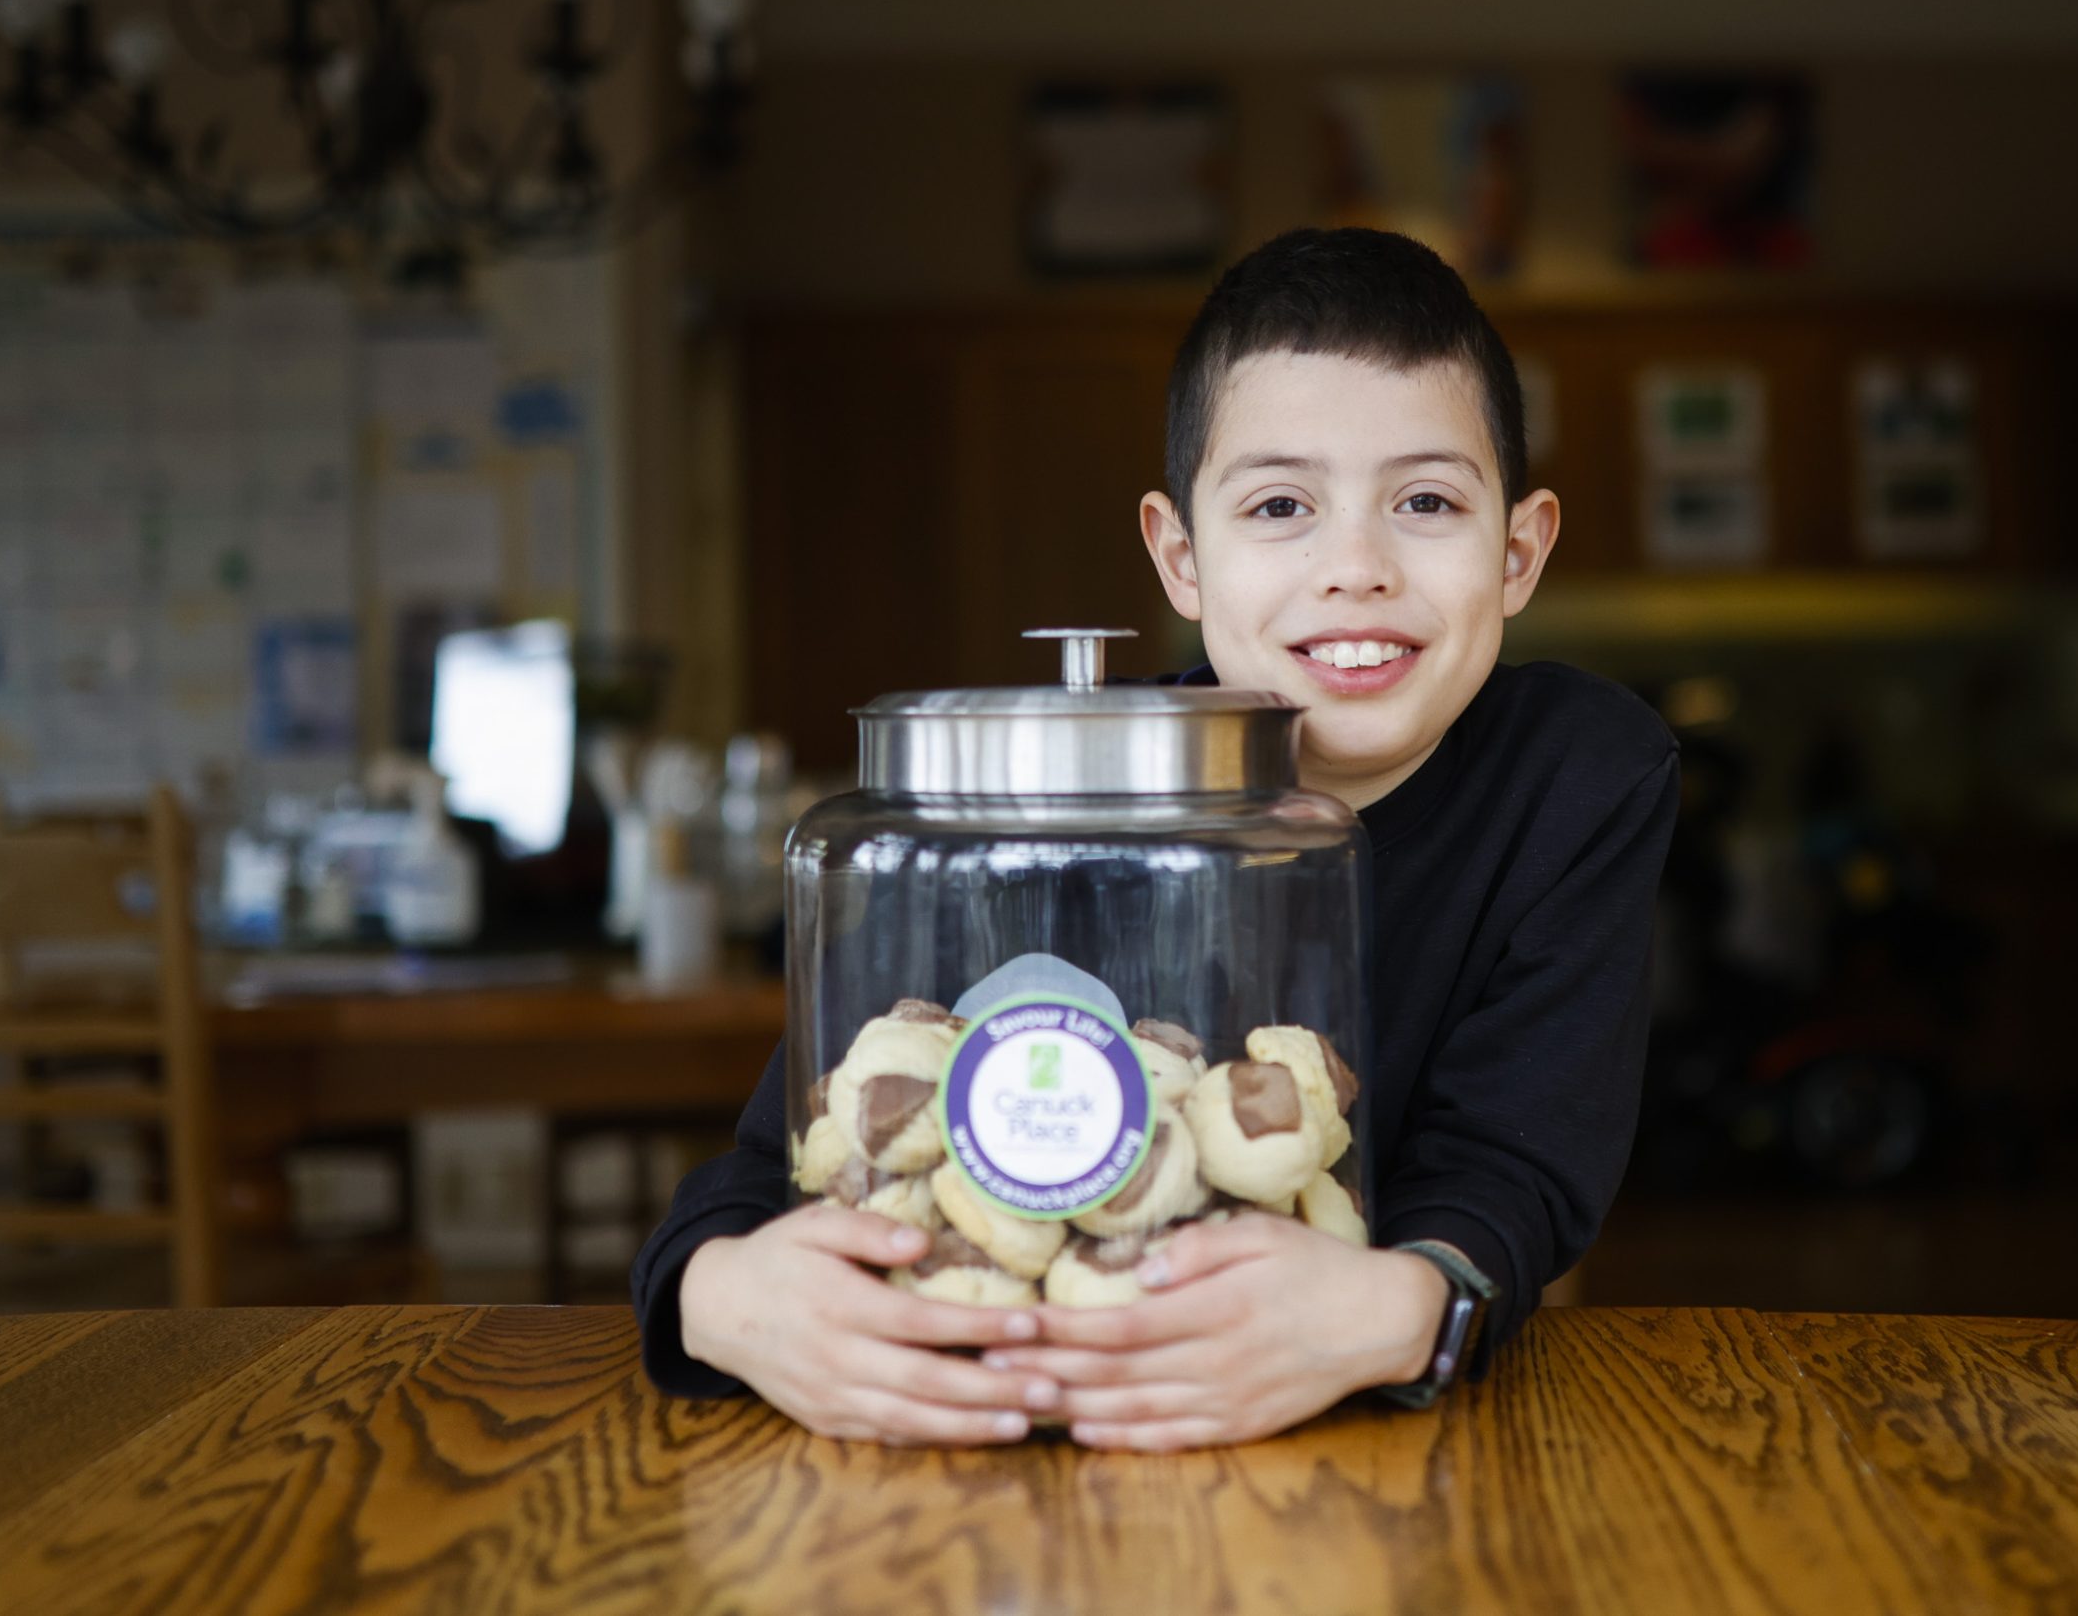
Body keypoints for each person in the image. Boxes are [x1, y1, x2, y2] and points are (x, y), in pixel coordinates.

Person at [632, 227, 1680, 1451]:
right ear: (1180, 554)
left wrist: (1404, 1310)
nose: (1355, 568)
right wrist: (722, 1294)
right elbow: (779, 1163)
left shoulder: (1580, 774)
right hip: (1018, 1429)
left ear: (1519, 550)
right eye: (1281, 504)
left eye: (1427, 501)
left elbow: (1516, 1164)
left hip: (1356, 1430)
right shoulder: (1050, 806)